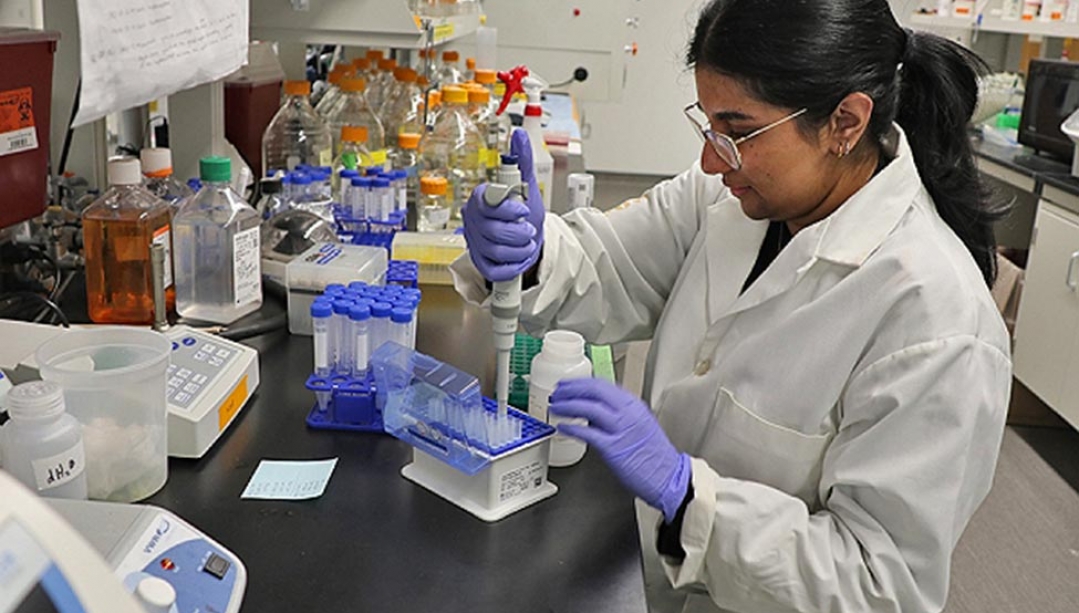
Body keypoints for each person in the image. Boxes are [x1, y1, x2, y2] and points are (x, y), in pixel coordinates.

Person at [452, 0, 1012, 611]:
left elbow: (879, 586)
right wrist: (531, 249)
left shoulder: (937, 322)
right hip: (644, 572)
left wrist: (688, 496)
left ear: (846, 123)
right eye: (709, 126)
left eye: (739, 132)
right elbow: (614, 265)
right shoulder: (732, 198)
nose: (710, 161)